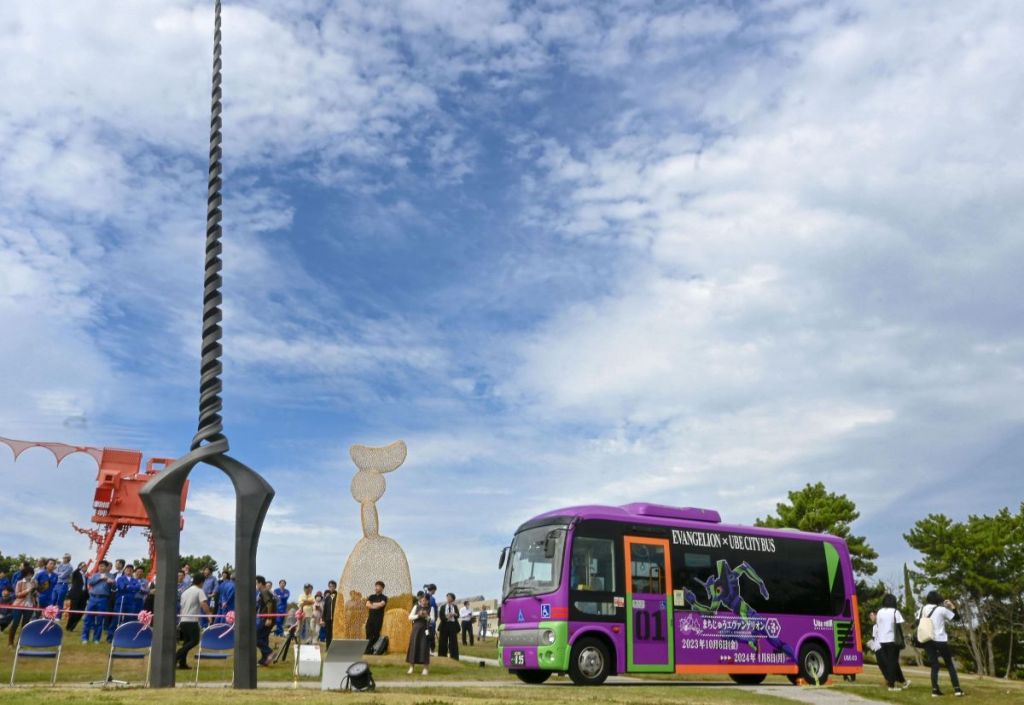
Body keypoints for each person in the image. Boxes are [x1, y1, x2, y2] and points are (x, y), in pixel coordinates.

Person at [917, 591, 963, 697]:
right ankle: (957, 689)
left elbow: (917, 621)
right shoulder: (941, 610)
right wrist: (952, 606)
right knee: (949, 664)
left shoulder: (922, 609)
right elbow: (957, 618)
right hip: (940, 639)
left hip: (928, 639)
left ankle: (935, 690)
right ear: (938, 599)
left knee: (934, 665)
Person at [876, 594, 911, 691]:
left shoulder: (879, 612)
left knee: (892, 662)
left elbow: (878, 624)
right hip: (892, 640)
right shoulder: (895, 611)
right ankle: (891, 685)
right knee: (892, 662)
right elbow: (899, 625)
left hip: (882, 640)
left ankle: (902, 681)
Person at [177, 574, 212, 669]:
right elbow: (203, 604)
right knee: (194, 641)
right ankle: (176, 656)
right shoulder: (199, 591)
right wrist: (209, 614)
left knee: (186, 642)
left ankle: (182, 663)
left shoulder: (185, 592)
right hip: (192, 621)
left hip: (183, 620)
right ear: (201, 582)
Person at [82, 560, 115, 644]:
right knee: (88, 619)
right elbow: (90, 583)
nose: (101, 567)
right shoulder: (95, 575)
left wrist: (109, 580)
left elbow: (114, 586)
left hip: (103, 599)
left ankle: (96, 639)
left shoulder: (111, 576)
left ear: (107, 567)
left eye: (103, 566)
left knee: (100, 620)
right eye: (100, 566)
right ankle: (85, 638)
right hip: (92, 598)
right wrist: (100, 578)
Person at [7, 563, 36, 646]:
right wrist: (27, 590)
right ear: (25, 574)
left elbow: (35, 593)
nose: (30, 576)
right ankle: (10, 642)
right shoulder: (19, 582)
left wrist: (35, 592)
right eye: (29, 574)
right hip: (19, 605)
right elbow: (17, 594)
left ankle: (21, 642)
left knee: (25, 625)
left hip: (30, 605)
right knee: (15, 623)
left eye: (31, 574)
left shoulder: (34, 582)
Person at [406, 592, 431, 675]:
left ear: (428, 601)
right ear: (420, 600)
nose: (424, 601)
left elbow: (433, 620)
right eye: (423, 600)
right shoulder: (416, 606)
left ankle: (425, 668)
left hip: (425, 629)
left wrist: (426, 616)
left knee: (424, 647)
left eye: (426, 600)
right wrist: (418, 615)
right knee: (414, 646)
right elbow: (410, 617)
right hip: (416, 629)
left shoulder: (430, 608)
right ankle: (411, 667)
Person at [256, 576, 276, 667]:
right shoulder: (267, 591)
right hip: (267, 618)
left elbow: (269, 603)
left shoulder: (264, 591)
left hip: (266, 618)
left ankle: (269, 653)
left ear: (260, 583)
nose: (255, 585)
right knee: (263, 638)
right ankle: (264, 660)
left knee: (255, 638)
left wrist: (269, 618)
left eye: (256, 583)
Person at [364, 580, 388, 653]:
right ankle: (368, 649)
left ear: (382, 588)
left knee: (376, 634)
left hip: (378, 619)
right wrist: (375, 605)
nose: (377, 588)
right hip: (370, 618)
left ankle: (372, 649)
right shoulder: (371, 596)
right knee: (368, 632)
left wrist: (372, 605)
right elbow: (367, 604)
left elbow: (382, 604)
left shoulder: (384, 597)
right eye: (376, 586)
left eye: (379, 586)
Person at [65, 562, 88, 632]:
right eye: (84, 566)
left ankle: (73, 626)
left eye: (86, 566)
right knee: (73, 611)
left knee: (81, 611)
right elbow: (75, 572)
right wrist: (79, 567)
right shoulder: (76, 573)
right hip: (75, 595)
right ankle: (69, 626)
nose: (85, 567)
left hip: (83, 596)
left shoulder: (85, 576)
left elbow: (85, 586)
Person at [438, 592, 460, 660]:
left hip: (452, 625)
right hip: (444, 625)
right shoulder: (443, 607)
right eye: (447, 597)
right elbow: (441, 617)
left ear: (453, 599)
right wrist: (447, 616)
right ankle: (442, 656)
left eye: (449, 597)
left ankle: (454, 657)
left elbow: (458, 615)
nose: (448, 598)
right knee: (443, 641)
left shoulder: (455, 606)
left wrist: (454, 614)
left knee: (453, 641)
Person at [322, 580, 338, 648]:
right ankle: (328, 648)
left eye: (333, 586)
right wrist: (323, 619)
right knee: (328, 633)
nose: (331, 588)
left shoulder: (339, 596)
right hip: (328, 618)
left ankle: (335, 648)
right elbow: (325, 609)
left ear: (335, 587)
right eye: (330, 586)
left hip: (336, 618)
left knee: (335, 633)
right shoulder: (327, 597)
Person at [425, 584, 438, 653]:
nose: (435, 592)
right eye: (435, 590)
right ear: (433, 590)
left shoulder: (432, 598)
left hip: (431, 621)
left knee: (430, 635)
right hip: (427, 621)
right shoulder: (428, 598)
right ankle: (428, 649)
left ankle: (431, 649)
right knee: (428, 635)